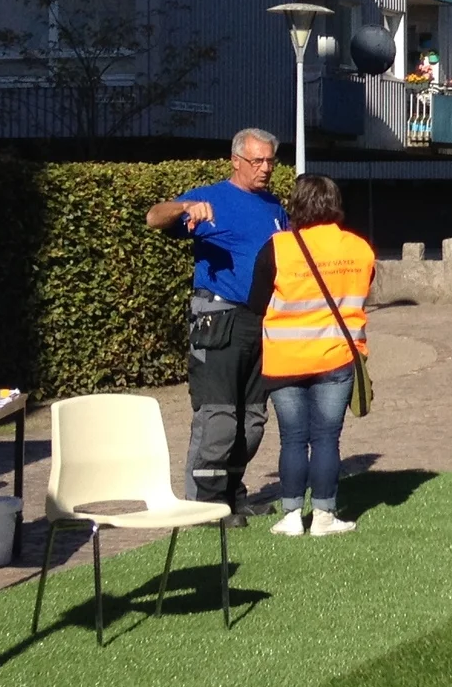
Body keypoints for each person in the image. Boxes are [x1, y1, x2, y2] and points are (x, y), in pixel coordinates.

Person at [144, 128, 290, 518]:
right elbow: (153, 217)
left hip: (262, 322)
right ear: (236, 161)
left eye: (270, 161)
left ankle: (233, 493)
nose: (265, 169)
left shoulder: (274, 207)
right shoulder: (210, 197)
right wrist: (184, 208)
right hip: (219, 317)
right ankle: (204, 505)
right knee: (220, 415)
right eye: (257, 161)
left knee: (254, 417)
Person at [247, 174, 375, 536]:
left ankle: (290, 516)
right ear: (335, 203)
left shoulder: (277, 247)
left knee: (292, 439)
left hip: (285, 359)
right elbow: (364, 291)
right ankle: (324, 515)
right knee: (326, 438)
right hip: (336, 357)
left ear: (297, 204)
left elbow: (256, 303)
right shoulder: (359, 247)